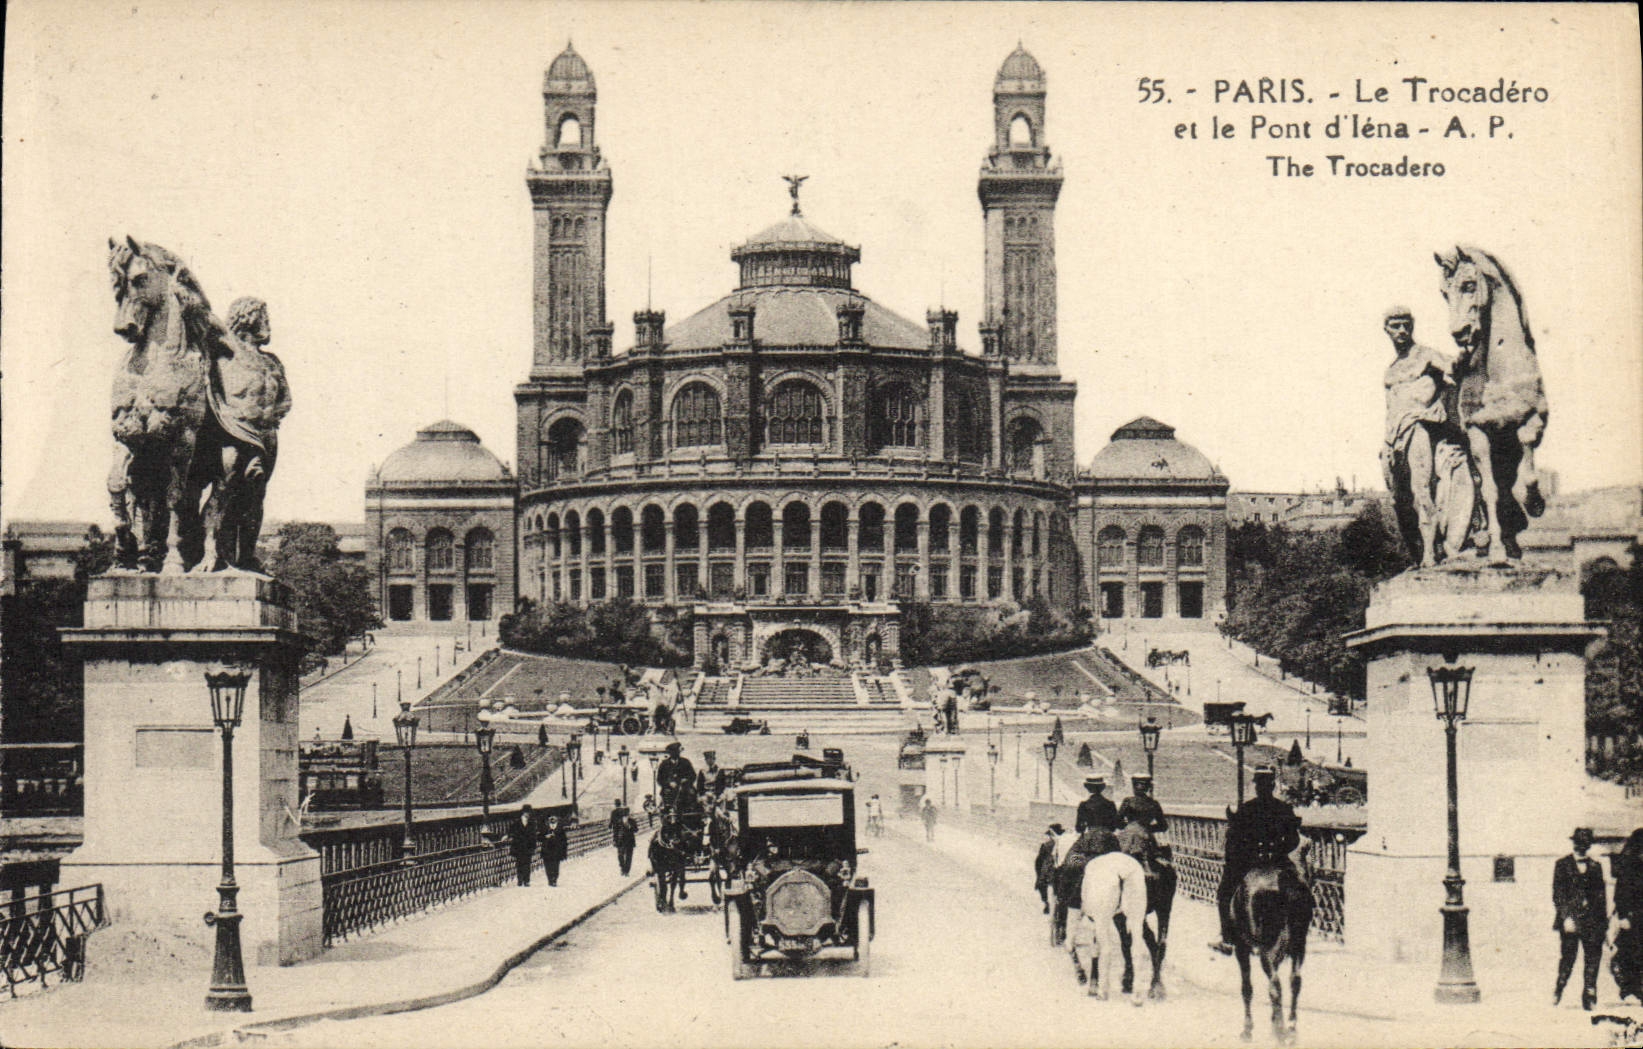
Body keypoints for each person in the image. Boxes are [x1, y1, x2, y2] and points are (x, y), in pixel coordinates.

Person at [1379, 306, 1475, 567]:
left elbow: (1455, 367)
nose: (1401, 330)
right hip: (1393, 436)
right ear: (1386, 329)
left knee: (1421, 490)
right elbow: (1391, 407)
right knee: (1399, 499)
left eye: (1405, 325)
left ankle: (1430, 554)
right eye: (1395, 326)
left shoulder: (1426, 356)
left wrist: (1467, 349)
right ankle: (1416, 552)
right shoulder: (1390, 371)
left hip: (1419, 426)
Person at [1213, 766, 1301, 954]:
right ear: (1272, 786)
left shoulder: (1247, 808)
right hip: (1278, 860)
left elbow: (1236, 840)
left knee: (1224, 894)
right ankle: (1296, 935)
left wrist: (1247, 853)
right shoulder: (1284, 808)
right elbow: (1294, 839)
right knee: (1300, 891)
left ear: (1257, 786)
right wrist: (1277, 851)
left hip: (1250, 862)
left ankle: (1228, 938)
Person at [1553, 827, 1608, 1010]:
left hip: (1593, 921)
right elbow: (1558, 895)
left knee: (1593, 958)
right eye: (1578, 842)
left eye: (1585, 843)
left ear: (1589, 845)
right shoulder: (1562, 865)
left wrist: (1604, 925)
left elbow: (1601, 897)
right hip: (1571, 921)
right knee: (1568, 957)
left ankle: (1590, 996)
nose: (1581, 846)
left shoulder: (1595, 867)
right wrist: (1566, 917)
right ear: (1574, 843)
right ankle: (1559, 989)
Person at [1611, 828, 1643, 1004]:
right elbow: (1621, 894)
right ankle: (1629, 990)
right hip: (1633, 918)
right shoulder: (1629, 868)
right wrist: (1623, 916)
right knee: (1631, 953)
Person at [655, 741, 697, 810]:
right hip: (669, 789)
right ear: (670, 753)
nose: (677, 753)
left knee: (691, 794)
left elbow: (693, 775)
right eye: (674, 752)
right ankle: (668, 811)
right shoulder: (664, 764)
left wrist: (685, 780)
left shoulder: (685, 762)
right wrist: (669, 783)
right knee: (666, 795)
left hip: (684, 787)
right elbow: (659, 779)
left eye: (677, 752)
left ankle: (690, 813)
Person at [1035, 824, 1065, 914]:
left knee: (1041, 884)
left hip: (1048, 869)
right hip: (1060, 869)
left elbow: (1039, 861)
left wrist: (1038, 875)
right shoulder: (1065, 843)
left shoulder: (1046, 845)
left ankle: (1046, 903)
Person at [508, 805, 538, 887]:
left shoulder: (532, 823)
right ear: (524, 812)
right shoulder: (516, 822)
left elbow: (533, 836)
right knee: (519, 863)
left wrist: (533, 846)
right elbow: (512, 832)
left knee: (527, 864)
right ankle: (520, 880)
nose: (528, 814)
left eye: (529, 812)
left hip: (528, 846)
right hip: (519, 846)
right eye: (527, 812)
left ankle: (526, 881)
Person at [538, 814, 568, 887]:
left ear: (557, 823)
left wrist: (563, 852)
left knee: (555, 867)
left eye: (554, 824)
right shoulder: (545, 830)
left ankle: (554, 879)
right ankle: (550, 879)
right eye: (551, 824)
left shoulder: (560, 831)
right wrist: (545, 837)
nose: (553, 825)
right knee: (548, 866)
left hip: (556, 852)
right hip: (546, 852)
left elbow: (564, 842)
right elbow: (538, 837)